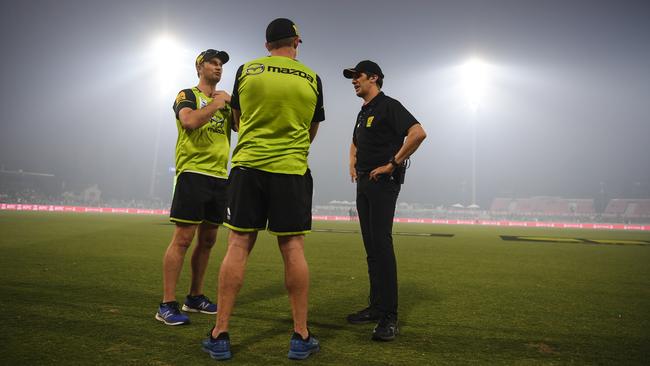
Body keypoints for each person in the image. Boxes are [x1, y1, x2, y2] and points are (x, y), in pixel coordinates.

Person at [201, 18, 324, 361]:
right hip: (291, 171)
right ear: (297, 41)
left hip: (249, 167)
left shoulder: (247, 70)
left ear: (267, 44)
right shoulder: (312, 77)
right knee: (293, 248)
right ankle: (300, 336)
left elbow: (237, 120)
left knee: (238, 245)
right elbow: (312, 128)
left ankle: (220, 333)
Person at [343, 60, 427, 341]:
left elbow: (418, 133)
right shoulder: (364, 110)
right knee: (371, 248)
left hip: (382, 182)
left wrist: (393, 163)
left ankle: (389, 317)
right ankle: (376, 307)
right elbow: (355, 141)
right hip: (365, 182)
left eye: (358, 76)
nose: (354, 81)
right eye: (352, 77)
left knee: (381, 245)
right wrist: (352, 161)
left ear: (374, 78)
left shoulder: (389, 105)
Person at [155, 49, 232, 326]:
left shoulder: (225, 100)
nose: (218, 67)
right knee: (183, 239)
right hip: (193, 174)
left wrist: (232, 105)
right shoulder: (187, 95)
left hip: (220, 176)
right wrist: (216, 104)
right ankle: (166, 304)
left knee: (208, 241)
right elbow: (188, 121)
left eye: (221, 63)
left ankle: (195, 297)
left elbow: (243, 125)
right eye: (213, 62)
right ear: (199, 66)